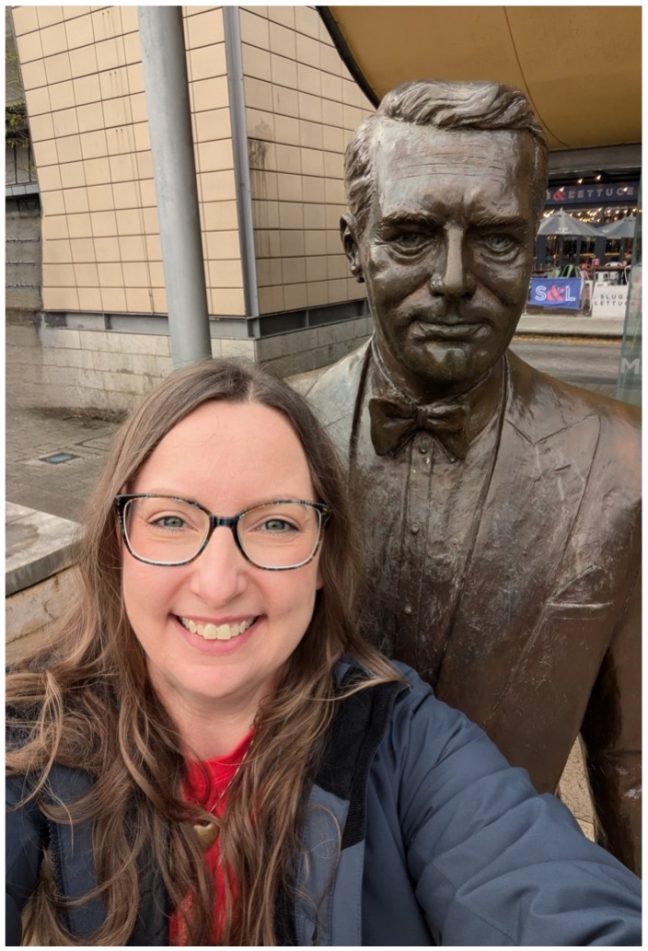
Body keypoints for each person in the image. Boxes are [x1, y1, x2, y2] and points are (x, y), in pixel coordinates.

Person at [6, 359, 641, 946]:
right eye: (171, 520)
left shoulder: (407, 743)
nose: (218, 584)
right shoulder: (29, 730)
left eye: (276, 522)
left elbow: (547, 892)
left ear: (321, 556)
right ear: (117, 543)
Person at [304, 80, 641, 873]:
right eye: (411, 236)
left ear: (534, 248)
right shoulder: (273, 439)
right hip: (305, 890)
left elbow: (632, 765)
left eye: (496, 238)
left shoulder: (625, 462)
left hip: (511, 892)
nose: (454, 279)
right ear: (355, 246)